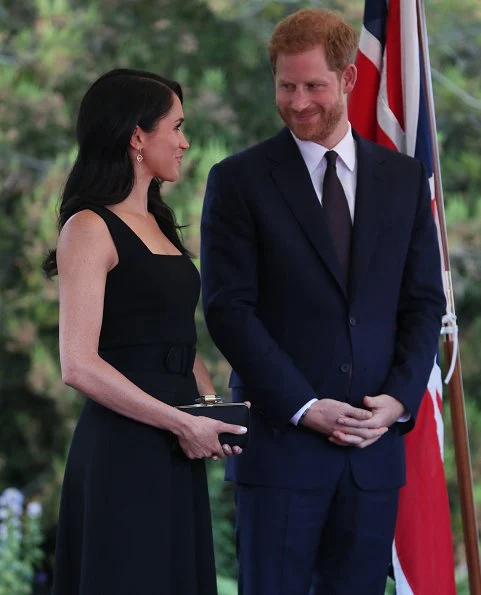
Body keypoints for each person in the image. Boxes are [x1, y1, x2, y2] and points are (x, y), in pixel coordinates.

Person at [200, 9, 446, 595]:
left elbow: (422, 303)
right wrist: (305, 406)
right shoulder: (238, 180)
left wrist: (398, 402)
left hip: (373, 455)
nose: (298, 101)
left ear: (349, 80)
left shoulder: (404, 180)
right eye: (286, 86)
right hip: (281, 456)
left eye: (313, 86)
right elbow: (229, 310)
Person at [44, 68, 247, 595]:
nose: (184, 142)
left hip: (175, 447)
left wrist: (207, 410)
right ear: (138, 136)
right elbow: (78, 365)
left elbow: (177, 339)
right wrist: (180, 422)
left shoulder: (157, 220)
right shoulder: (87, 227)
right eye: (176, 127)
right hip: (123, 449)